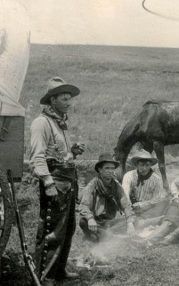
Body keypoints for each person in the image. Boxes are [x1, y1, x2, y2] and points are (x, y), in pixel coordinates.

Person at [30, 77, 85, 286]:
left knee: (68, 229)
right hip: (56, 184)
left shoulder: (60, 123)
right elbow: (38, 157)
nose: (68, 102)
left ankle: (59, 271)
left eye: (69, 99)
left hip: (68, 183)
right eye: (64, 98)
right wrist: (48, 183)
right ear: (52, 100)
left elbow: (58, 154)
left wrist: (72, 151)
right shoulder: (41, 123)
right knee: (52, 231)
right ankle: (45, 277)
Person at [79, 153, 136, 242]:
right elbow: (84, 205)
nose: (110, 171)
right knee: (83, 222)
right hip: (96, 221)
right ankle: (108, 236)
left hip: (109, 222)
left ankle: (102, 236)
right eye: (107, 168)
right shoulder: (92, 185)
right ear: (100, 170)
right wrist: (90, 219)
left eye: (112, 168)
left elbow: (126, 205)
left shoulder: (116, 186)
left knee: (133, 221)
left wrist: (129, 222)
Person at [122, 150, 168, 222]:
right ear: (137, 165)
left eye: (147, 165)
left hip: (149, 209)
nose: (144, 168)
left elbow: (157, 199)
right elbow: (125, 194)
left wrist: (142, 205)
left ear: (150, 165)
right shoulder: (129, 176)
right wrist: (129, 209)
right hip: (131, 208)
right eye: (141, 165)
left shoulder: (156, 179)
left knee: (163, 203)